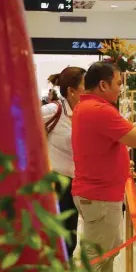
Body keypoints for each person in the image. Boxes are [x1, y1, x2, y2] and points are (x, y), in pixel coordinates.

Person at [71, 62, 136, 272]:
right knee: (96, 258)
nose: (120, 89)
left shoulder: (87, 106)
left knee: (106, 254)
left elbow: (122, 132)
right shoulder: (99, 110)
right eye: (118, 83)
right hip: (100, 196)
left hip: (98, 195)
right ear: (103, 85)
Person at [41, 66, 86, 261]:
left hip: (75, 184)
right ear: (71, 90)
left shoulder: (85, 114)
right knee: (55, 235)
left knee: (70, 236)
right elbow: (21, 125)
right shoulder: (53, 110)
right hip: (54, 183)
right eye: (86, 85)